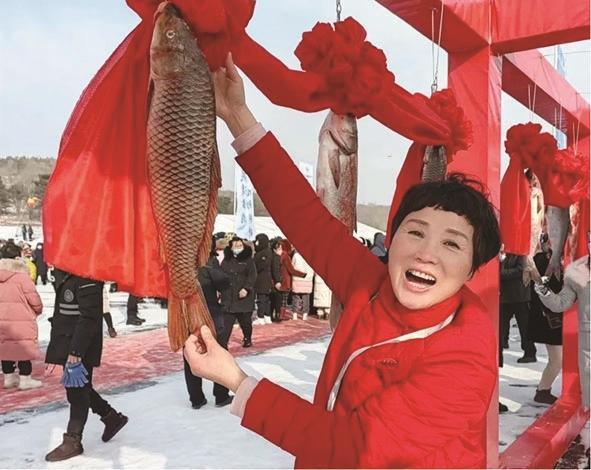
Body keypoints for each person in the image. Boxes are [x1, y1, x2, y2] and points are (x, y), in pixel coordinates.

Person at [183, 54, 501, 468]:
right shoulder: (372, 283)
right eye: (416, 232)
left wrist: (235, 380)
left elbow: (352, 446)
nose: (426, 253)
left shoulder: (465, 358)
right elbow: (308, 221)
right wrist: (237, 115)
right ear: (393, 238)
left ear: (472, 267)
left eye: (452, 245)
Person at [45, 268, 128, 462]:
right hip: (67, 340)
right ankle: (111, 417)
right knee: (80, 387)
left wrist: (76, 351)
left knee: (77, 391)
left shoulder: (87, 276)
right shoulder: (68, 272)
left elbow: (89, 318)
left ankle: (73, 439)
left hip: (80, 345)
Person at [534, 234, 590, 410]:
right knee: (559, 360)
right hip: (554, 321)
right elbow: (559, 301)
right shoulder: (573, 271)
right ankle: (543, 390)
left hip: (569, 324)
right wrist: (543, 290)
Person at [184, 237, 233, 409]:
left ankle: (196, 398)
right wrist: (225, 305)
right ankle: (221, 395)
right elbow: (225, 283)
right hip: (210, 314)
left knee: (191, 353)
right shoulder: (209, 262)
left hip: (187, 314)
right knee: (218, 351)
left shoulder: (182, 263)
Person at [0, 243, 43, 390]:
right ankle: (25, 379)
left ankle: (9, 377)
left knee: (5, 346)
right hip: (22, 317)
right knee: (23, 346)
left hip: (2, 319)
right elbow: (33, 298)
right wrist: (37, 309)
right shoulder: (22, 276)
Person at [529, 233, 563, 405]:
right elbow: (538, 289)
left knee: (558, 359)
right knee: (557, 359)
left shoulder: (563, 261)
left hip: (559, 315)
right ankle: (543, 390)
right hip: (550, 317)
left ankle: (543, 390)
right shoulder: (541, 261)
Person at [219, 236, 257, 348]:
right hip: (229, 297)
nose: (238, 248)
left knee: (245, 322)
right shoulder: (226, 261)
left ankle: (247, 338)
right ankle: (223, 344)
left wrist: (246, 288)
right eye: (236, 246)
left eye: (240, 245)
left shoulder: (248, 260)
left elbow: (252, 276)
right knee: (226, 324)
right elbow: (221, 275)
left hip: (243, 298)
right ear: (231, 247)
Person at [500, 251, 537, 362]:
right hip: (506, 297)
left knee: (524, 327)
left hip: (520, 297)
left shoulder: (521, 255)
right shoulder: (505, 255)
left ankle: (530, 353)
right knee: (501, 326)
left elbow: (520, 270)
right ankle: (500, 350)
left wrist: (501, 273)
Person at [278, 239, 306, 319]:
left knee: (279, 299)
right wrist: (303, 274)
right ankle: (282, 315)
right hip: (286, 281)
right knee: (284, 300)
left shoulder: (279, 256)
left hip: (279, 280)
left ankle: (278, 314)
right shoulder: (286, 257)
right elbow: (291, 270)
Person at [253, 233, 274, 325]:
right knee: (265, 299)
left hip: (262, 279)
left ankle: (261, 317)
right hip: (263, 279)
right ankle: (266, 316)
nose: (256, 243)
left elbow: (262, 265)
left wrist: (253, 269)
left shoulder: (265, 252)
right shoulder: (263, 252)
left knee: (262, 299)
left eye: (257, 241)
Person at [291, 250, 314, 320]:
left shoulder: (296, 255)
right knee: (306, 297)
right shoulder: (310, 255)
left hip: (297, 278)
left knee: (296, 297)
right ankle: (305, 314)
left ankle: (295, 314)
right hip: (307, 279)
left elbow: (292, 266)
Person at [269, 238, 284, 322]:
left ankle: (271, 315)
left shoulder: (271, 256)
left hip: (271, 281)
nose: (281, 250)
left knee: (272, 299)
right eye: (279, 248)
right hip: (275, 281)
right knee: (277, 299)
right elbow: (276, 269)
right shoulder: (276, 257)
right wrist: (278, 281)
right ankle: (277, 315)